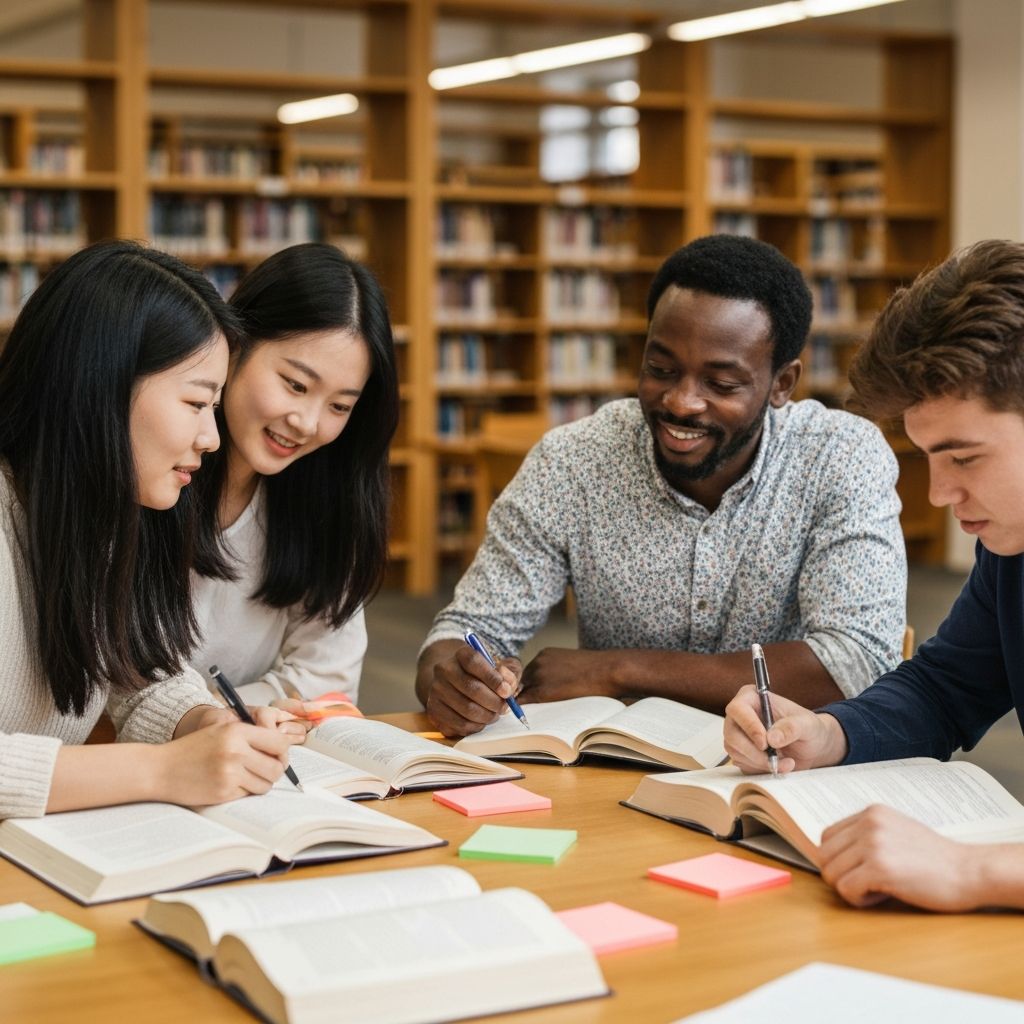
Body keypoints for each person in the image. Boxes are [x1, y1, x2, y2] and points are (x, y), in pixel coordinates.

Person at [417, 234, 907, 737]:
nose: (681, 401)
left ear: (781, 383)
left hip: (786, 771)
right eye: (661, 368)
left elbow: (854, 662)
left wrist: (619, 670)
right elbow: (466, 631)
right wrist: (455, 680)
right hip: (620, 768)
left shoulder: (840, 455)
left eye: (721, 383)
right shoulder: (573, 461)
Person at [724, 238, 1024, 912]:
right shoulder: (1014, 553)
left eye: (965, 459)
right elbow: (947, 689)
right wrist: (830, 733)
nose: (940, 496)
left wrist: (973, 871)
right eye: (927, 460)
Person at [0, 240, 308, 820]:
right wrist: (164, 770)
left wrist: (203, 723)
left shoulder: (95, 516)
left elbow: (137, 671)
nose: (212, 438)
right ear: (102, 390)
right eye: (196, 402)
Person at [189, 243, 399, 704]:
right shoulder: (154, 471)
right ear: (237, 343)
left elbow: (327, 680)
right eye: (296, 385)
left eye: (339, 406)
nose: (306, 422)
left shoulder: (328, 497)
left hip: (248, 758)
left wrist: (211, 723)